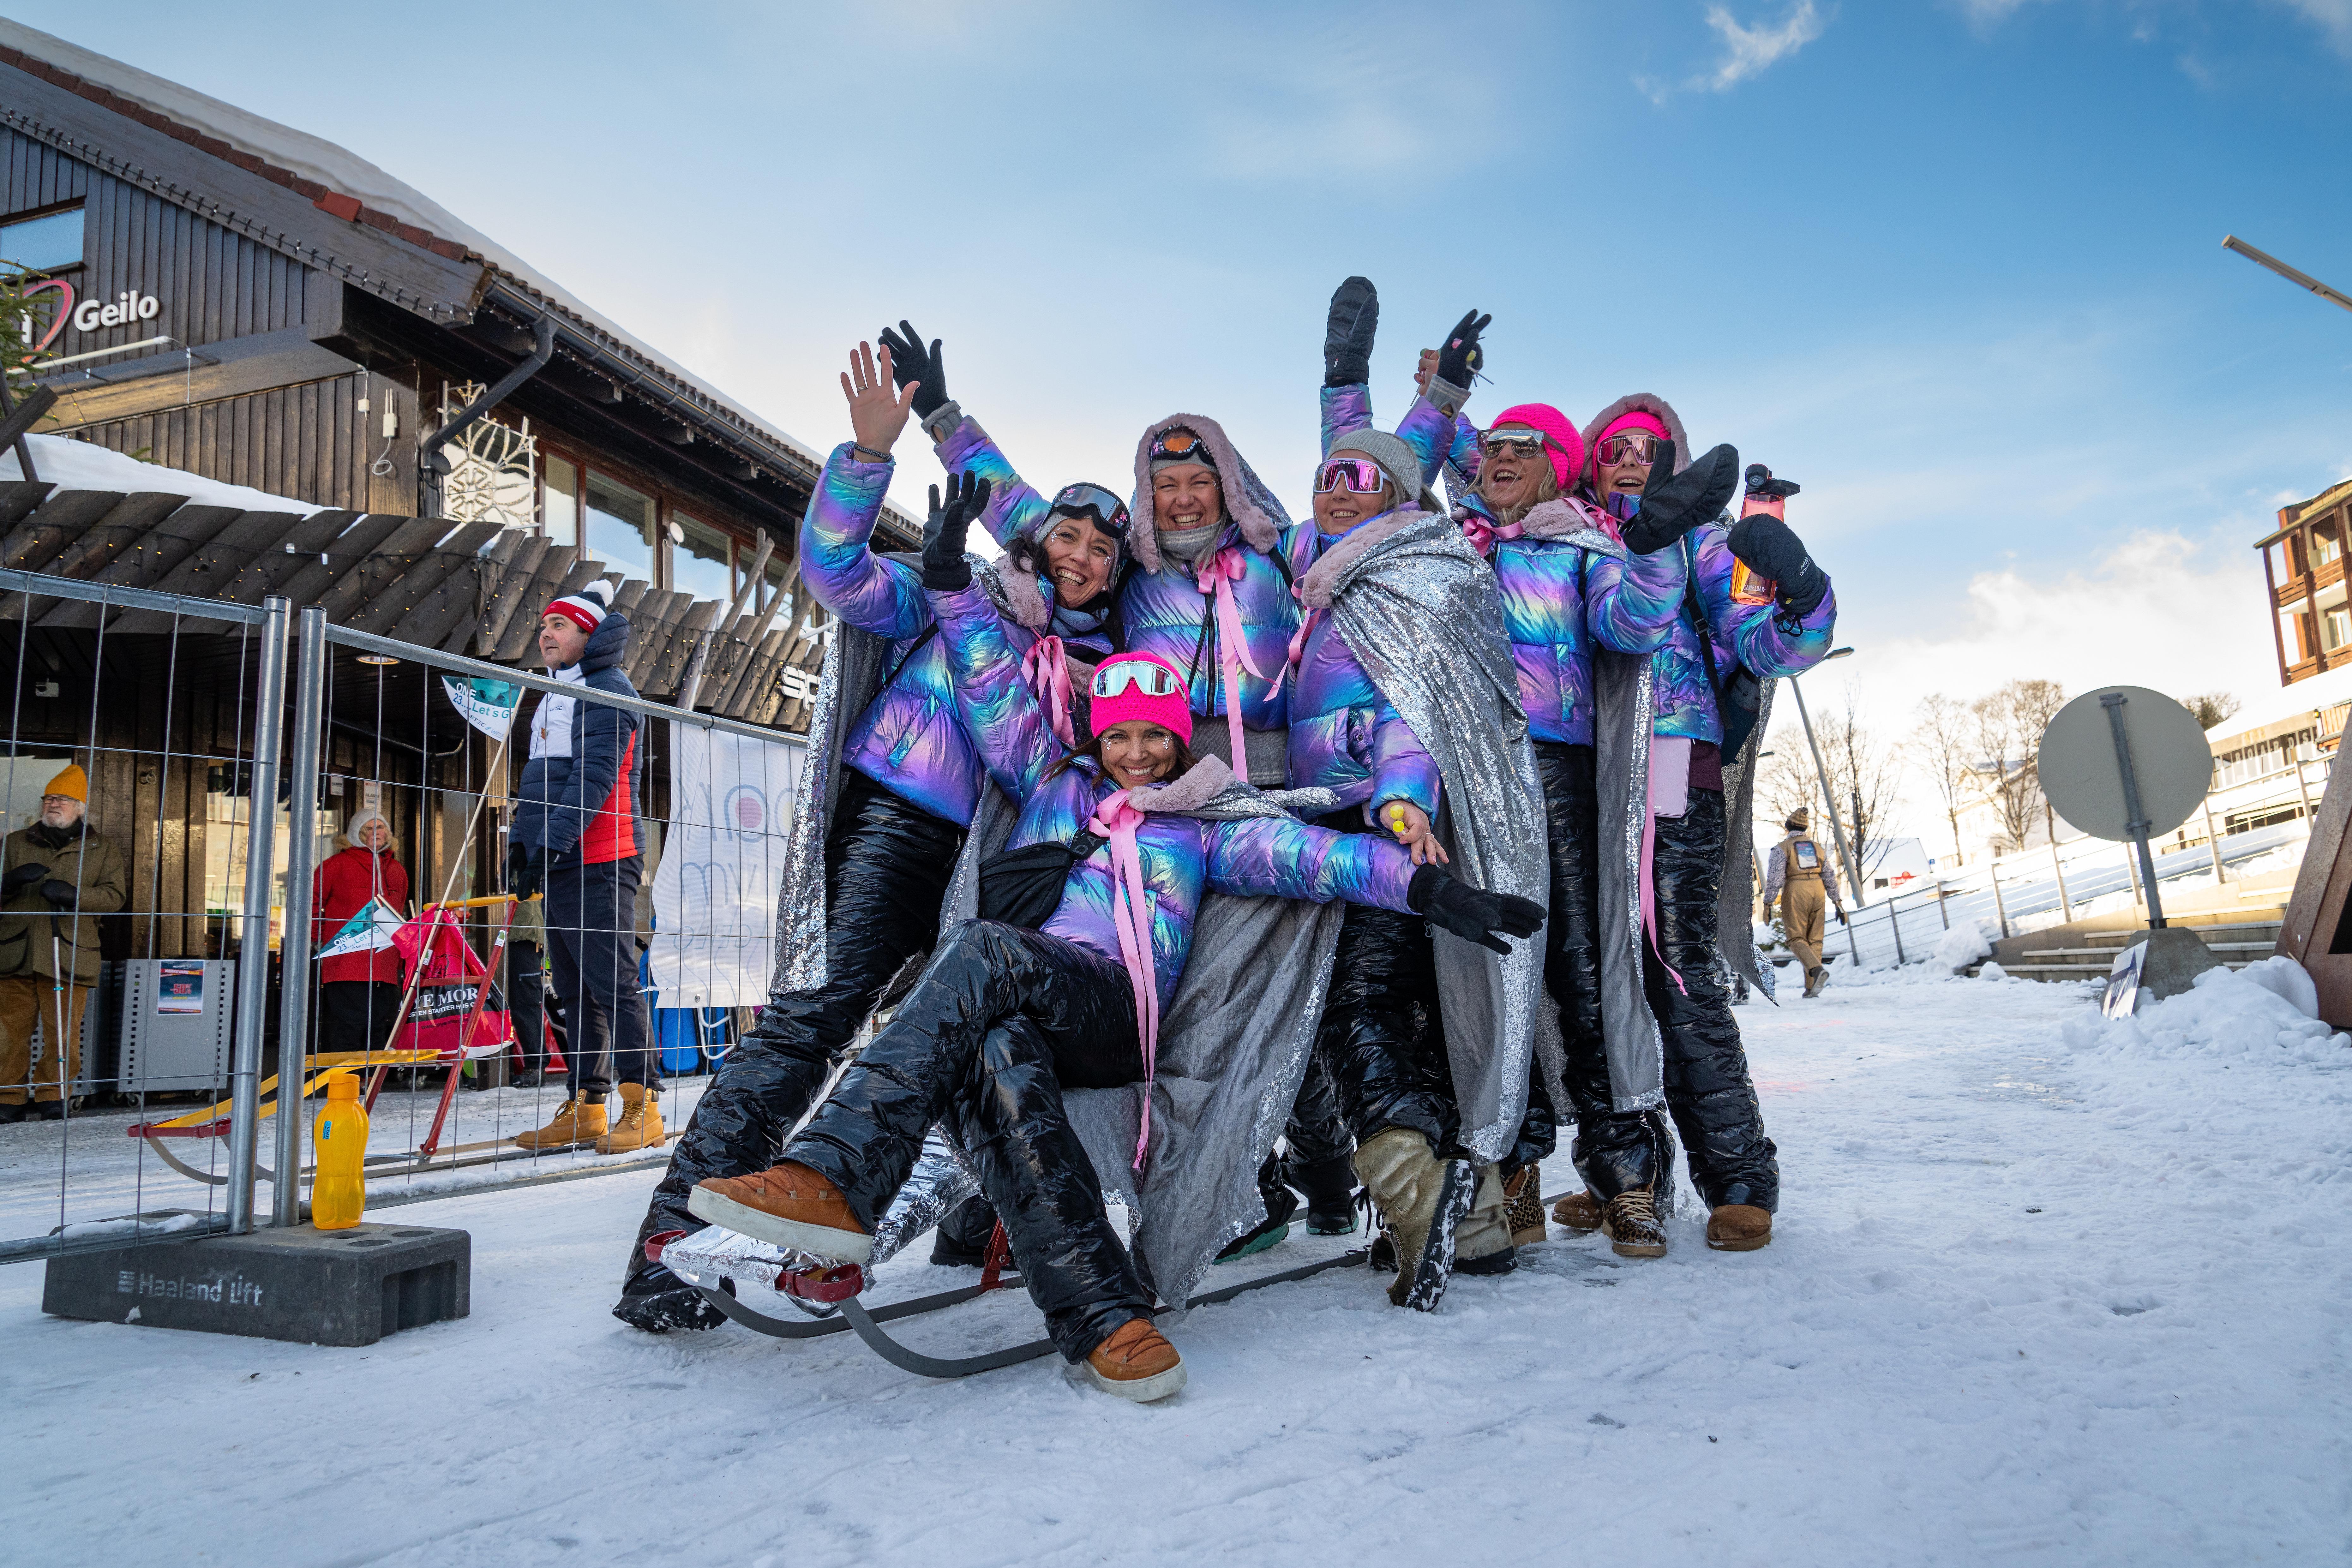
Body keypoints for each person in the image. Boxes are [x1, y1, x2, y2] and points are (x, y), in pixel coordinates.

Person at [689, 627, 1540, 1401]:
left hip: (1112, 1013)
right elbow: (992, 692)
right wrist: (953, 586)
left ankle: (836, 1175)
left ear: (1177, 741)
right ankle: (1104, 1313)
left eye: (1155, 736)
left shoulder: (1202, 827)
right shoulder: (1056, 789)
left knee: (984, 949)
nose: (1136, 753)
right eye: (1120, 735)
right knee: (996, 1052)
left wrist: (1430, 888)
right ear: (1099, 737)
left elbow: (1317, 858)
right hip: (1031, 1002)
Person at [614, 340, 1124, 1331]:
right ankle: (666, 1254)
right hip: (899, 822)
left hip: (987, 865)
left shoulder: (1093, 667)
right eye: (1067, 535)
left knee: (949, 1039)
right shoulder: (956, 586)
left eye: (1102, 551)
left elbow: (1045, 765)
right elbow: (836, 572)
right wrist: (866, 456)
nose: (1082, 556)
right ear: (1036, 540)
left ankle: (970, 1220)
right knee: (815, 1023)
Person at [1318, 288, 1689, 1266]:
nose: (1501, 458)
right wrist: (1369, 386)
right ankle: (1508, 1175)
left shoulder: (1582, 548)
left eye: (1525, 446)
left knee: (1577, 970)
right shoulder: (1444, 540)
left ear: (1557, 466)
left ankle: (1625, 1174)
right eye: (1493, 448)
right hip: (1453, 777)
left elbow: (1633, 629)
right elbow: (1364, 481)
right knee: (1475, 974)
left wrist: (1650, 553)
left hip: (1551, 775)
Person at [1568, 396, 1839, 1254]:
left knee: (1679, 968)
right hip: (1581, 767)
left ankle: (1737, 1175)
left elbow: (1764, 644)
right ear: (1590, 461)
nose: (1633, 461)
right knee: (1595, 974)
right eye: (1616, 449)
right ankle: (1627, 1175)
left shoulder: (1705, 542)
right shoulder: (1566, 531)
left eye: (1652, 451)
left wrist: (1806, 595)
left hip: (1676, 757)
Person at [507, 579, 663, 1158]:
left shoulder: (607, 690)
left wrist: (551, 844)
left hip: (603, 856)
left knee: (612, 983)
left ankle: (642, 1102)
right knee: (571, 987)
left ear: (590, 635)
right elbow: (537, 784)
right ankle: (588, 1105)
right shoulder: (552, 694)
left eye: (561, 626)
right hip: (564, 858)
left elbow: (594, 780)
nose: (546, 634)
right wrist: (524, 849)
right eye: (544, 625)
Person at [0, 764, 125, 1120]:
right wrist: (7, 883)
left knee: (63, 1034)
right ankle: (8, 1098)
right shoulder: (13, 843)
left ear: (80, 806)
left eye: (63, 799)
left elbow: (115, 897)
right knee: (9, 1033)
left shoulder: (102, 849)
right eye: (49, 798)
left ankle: (53, 1096)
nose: (54, 804)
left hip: (68, 952)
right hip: (16, 952)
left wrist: (75, 895)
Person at [311, 810, 410, 1057]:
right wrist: (317, 938)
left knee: (377, 1024)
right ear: (356, 834)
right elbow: (310, 902)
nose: (376, 833)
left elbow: (399, 916)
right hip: (345, 959)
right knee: (349, 1024)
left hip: (385, 962)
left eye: (380, 828)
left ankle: (370, 1082)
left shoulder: (397, 870)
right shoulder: (336, 865)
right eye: (368, 829)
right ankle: (340, 1081)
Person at [1762, 806, 1845, 997]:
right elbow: (1830, 875)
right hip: (1819, 890)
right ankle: (1811, 988)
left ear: (1788, 828)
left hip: (1796, 890)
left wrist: (1768, 903)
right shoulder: (1817, 848)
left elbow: (1775, 878)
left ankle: (1816, 970)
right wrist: (1838, 902)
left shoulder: (1782, 848)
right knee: (1815, 940)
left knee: (1796, 938)